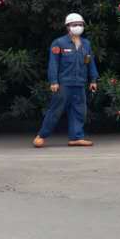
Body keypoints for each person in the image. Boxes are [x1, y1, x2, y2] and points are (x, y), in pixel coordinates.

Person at [34, 12, 99, 148]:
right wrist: (53, 81)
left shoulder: (86, 44)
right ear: (68, 26)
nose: (78, 27)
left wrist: (93, 80)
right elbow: (53, 64)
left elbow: (90, 62)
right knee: (55, 110)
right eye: (75, 24)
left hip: (80, 83)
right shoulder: (59, 43)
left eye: (80, 24)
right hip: (64, 84)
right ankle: (41, 136)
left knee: (79, 111)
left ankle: (76, 137)